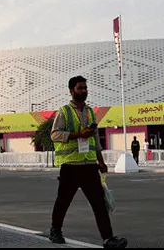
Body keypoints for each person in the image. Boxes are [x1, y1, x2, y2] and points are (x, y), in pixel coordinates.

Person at [49, 75, 127, 249]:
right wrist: (77, 135)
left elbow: (95, 140)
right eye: (80, 88)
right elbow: (54, 134)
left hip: (89, 166)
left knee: (99, 204)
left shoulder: (91, 112)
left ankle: (108, 239)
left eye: (85, 88)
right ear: (72, 91)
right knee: (63, 201)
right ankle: (55, 230)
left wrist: (101, 161)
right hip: (70, 166)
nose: (84, 91)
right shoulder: (64, 111)